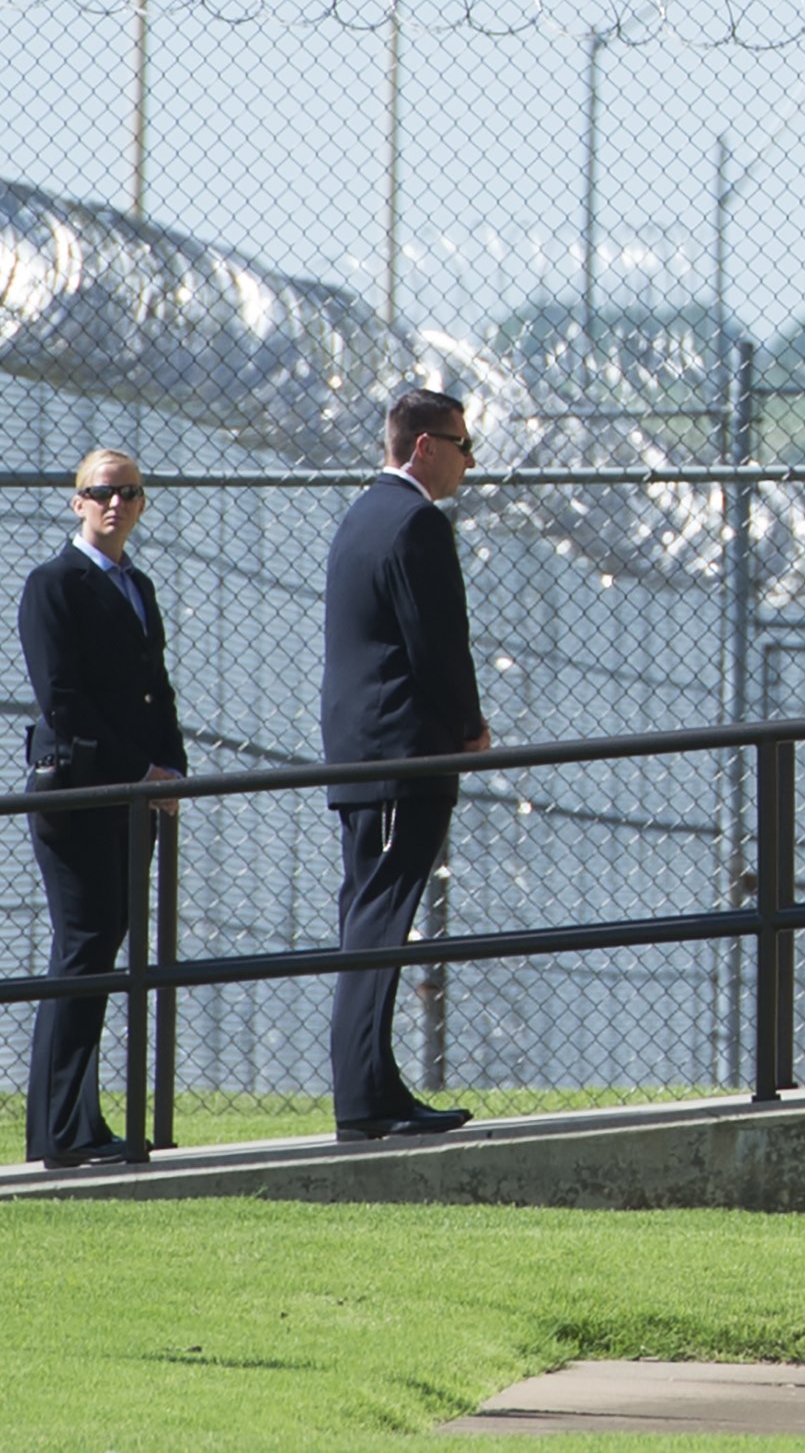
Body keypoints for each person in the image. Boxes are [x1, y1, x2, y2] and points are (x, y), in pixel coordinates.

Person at [319, 387, 492, 1139]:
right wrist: (469, 724)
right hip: (398, 752)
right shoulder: (416, 521)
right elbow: (435, 642)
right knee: (379, 918)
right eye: (461, 443)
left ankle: (380, 1091)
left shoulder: (363, 513)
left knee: (372, 911)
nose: (469, 459)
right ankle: (362, 1103)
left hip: (364, 752)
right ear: (422, 446)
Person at [16, 448, 188, 1167]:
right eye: (100, 492)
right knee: (83, 948)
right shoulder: (53, 584)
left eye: (128, 493)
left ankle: (80, 1121)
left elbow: (156, 687)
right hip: (82, 794)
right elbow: (64, 700)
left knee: (103, 947)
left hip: (135, 795)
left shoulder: (136, 585)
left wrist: (173, 765)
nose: (114, 504)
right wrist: (137, 768)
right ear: (76, 501)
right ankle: (57, 1130)